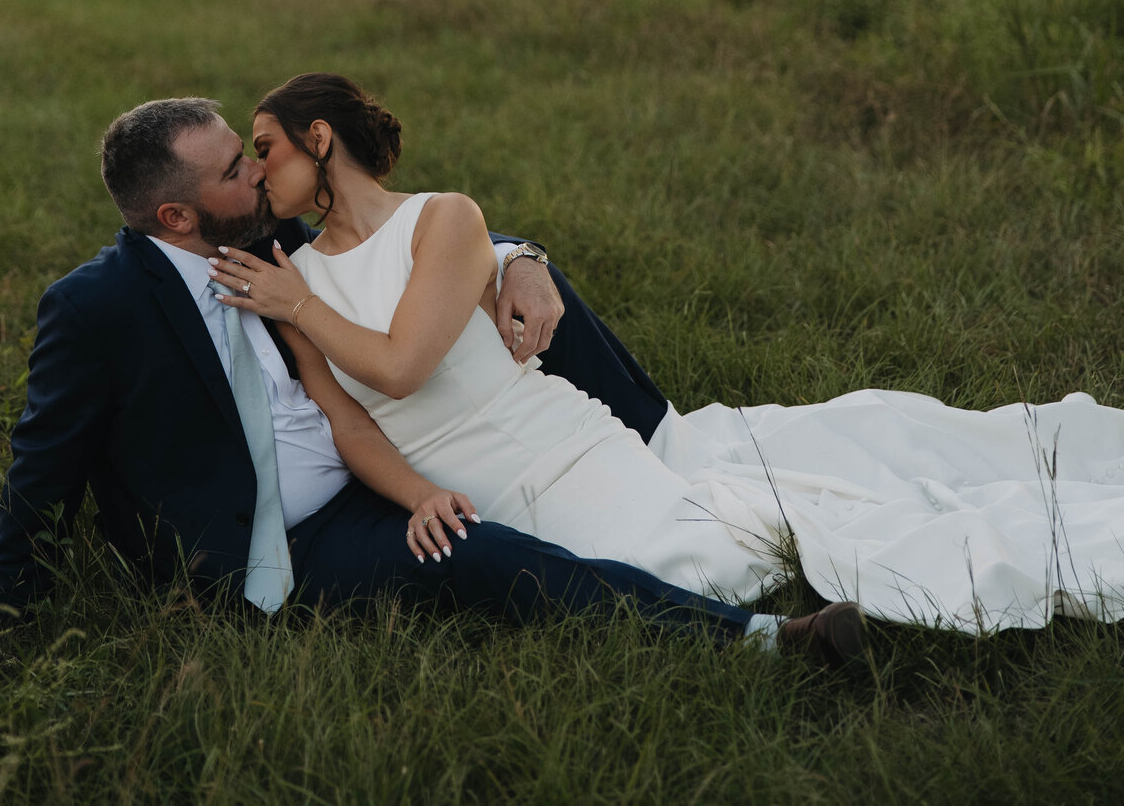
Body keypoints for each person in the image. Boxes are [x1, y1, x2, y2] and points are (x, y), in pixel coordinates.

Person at [210, 72, 1124, 636]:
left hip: (561, 441)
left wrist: (305, 303)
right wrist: (418, 496)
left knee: (723, 556)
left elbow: (403, 363)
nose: (259, 172)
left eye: (267, 148)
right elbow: (352, 419)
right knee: (680, 570)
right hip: (480, 488)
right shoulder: (295, 280)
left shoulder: (444, 218)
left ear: (320, 138)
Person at [0, 96, 863, 665]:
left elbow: (401, 246)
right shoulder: (93, 307)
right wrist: (4, 616)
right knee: (478, 554)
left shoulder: (264, 241)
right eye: (234, 170)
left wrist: (521, 257)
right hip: (273, 545)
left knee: (478, 508)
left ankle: (704, 529)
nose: (258, 170)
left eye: (246, 153)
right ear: (175, 216)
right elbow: (42, 463)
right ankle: (765, 643)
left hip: (371, 476)